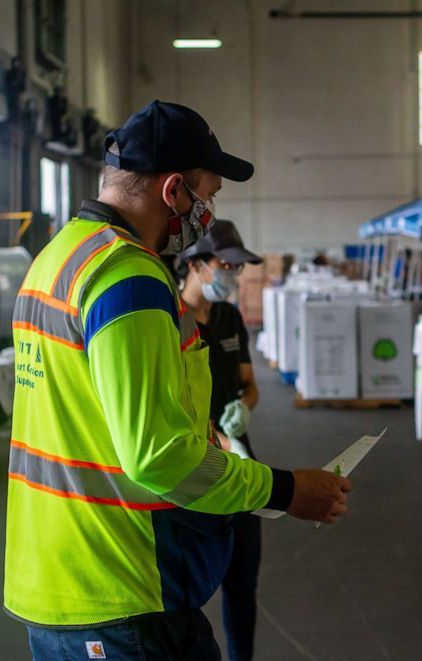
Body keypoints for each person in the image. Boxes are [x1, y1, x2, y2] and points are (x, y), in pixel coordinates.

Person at [4, 100, 351, 661]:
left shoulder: (57, 258)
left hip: (55, 576)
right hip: (121, 590)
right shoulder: (128, 277)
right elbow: (157, 457)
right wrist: (286, 491)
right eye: (205, 197)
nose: (205, 216)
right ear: (173, 192)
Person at [178, 221, 263, 661]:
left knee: (242, 580)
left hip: (240, 454)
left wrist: (244, 406)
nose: (233, 274)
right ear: (195, 264)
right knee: (186, 582)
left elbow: (249, 385)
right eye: (225, 265)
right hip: (196, 462)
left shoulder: (229, 317)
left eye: (238, 267)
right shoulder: (170, 320)